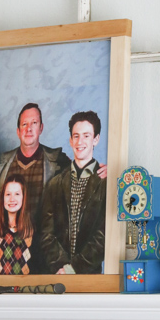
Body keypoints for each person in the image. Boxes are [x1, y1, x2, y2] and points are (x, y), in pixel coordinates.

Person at [40, 111, 106, 275]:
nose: (80, 141)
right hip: (58, 273)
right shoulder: (55, 184)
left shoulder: (106, 183)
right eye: (76, 136)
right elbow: (46, 233)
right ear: (70, 140)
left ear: (96, 139)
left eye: (86, 136)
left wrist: (75, 268)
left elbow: (104, 235)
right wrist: (62, 267)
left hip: (90, 275)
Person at [0, 175, 33, 275]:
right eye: (8, 194)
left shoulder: (32, 232)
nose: (12, 199)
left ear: (24, 197)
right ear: (3, 197)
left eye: (17, 194)